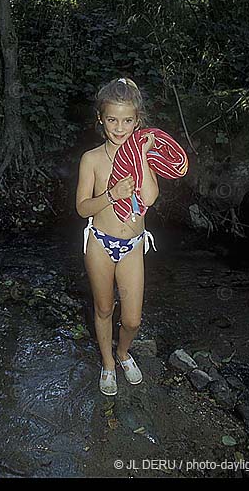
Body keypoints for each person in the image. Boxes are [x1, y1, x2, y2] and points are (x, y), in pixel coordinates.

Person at [75, 77, 159, 396]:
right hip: (99, 243)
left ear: (137, 121)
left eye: (127, 120)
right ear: (101, 119)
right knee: (104, 309)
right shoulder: (92, 159)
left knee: (133, 319)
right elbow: (83, 208)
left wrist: (142, 157)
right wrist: (111, 194)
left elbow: (149, 197)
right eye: (112, 119)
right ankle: (108, 363)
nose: (119, 127)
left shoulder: (141, 156)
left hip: (133, 245)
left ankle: (124, 352)